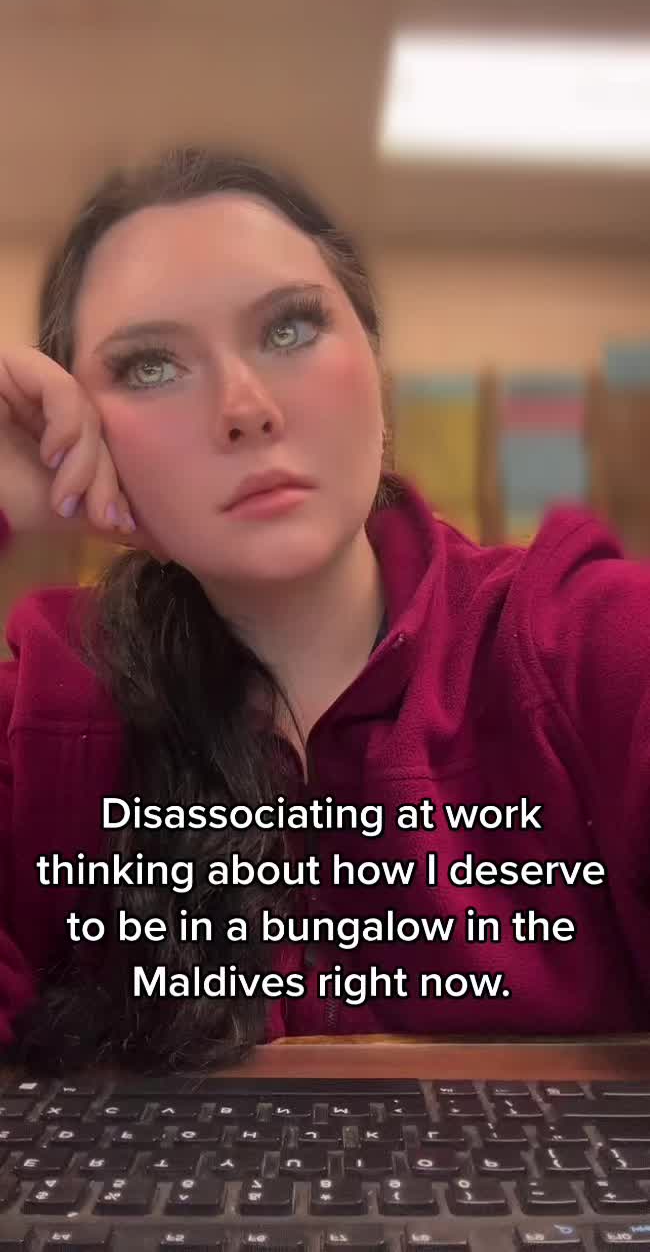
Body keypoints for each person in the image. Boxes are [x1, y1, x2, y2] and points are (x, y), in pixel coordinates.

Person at [1, 145, 649, 1078]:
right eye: (150, 366)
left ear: (375, 373)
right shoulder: (44, 719)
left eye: (291, 327)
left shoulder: (583, 641)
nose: (245, 407)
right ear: (78, 433)